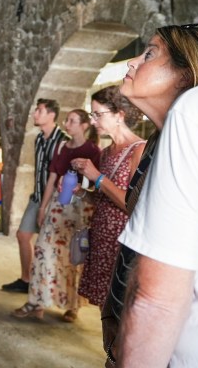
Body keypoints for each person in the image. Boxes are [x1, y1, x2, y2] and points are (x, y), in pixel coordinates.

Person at [99, 20, 198, 366]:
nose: (131, 63)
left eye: (149, 54)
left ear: (183, 75)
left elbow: (157, 297)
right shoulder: (155, 146)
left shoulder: (193, 118)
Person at [12, 109, 100, 321]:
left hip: (79, 209)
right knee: (44, 250)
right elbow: (53, 178)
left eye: (72, 121)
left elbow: (96, 185)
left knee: (74, 257)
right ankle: (36, 300)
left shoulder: (93, 151)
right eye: (67, 120)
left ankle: (73, 306)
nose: (67, 124)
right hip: (57, 207)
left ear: (84, 126)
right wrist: (43, 207)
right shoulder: (62, 146)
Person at [73, 86, 145, 308]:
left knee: (120, 307)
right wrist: (83, 192)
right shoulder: (105, 153)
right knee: (105, 307)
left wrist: (96, 176)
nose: (93, 121)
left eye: (98, 114)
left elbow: (132, 204)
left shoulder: (139, 150)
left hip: (121, 242)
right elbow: (103, 199)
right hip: (101, 237)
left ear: (119, 115)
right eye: (92, 115)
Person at [1, 99, 67, 293]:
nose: (34, 114)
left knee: (51, 245)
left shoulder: (62, 141)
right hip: (37, 197)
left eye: (39, 111)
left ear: (51, 115)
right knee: (23, 235)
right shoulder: (39, 139)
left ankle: (49, 287)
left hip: (54, 201)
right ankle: (26, 279)